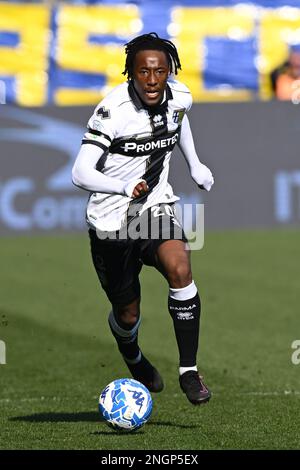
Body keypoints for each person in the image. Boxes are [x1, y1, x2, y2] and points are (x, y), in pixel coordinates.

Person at [72, 32, 214, 405]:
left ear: (169, 72)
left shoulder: (180, 96)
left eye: (159, 71)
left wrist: (195, 164)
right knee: (128, 311)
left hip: (153, 208)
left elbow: (178, 121)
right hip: (110, 222)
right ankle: (132, 354)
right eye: (143, 72)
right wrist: (121, 187)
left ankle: (188, 370)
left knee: (180, 266)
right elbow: (80, 171)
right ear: (131, 73)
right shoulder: (112, 111)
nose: (152, 80)